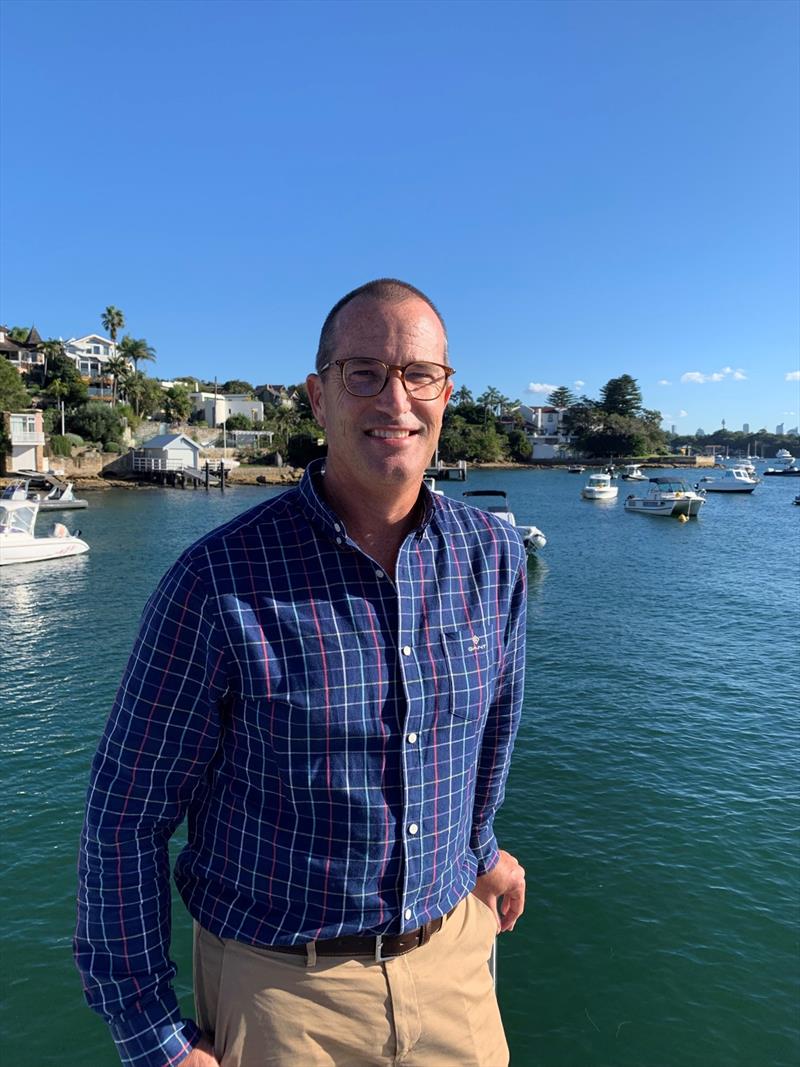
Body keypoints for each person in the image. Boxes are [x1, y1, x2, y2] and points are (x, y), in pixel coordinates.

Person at [75, 279, 527, 1067]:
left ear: (446, 393)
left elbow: (491, 733)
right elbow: (126, 815)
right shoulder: (216, 582)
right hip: (283, 995)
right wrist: (152, 1035)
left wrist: (480, 850)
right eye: (365, 373)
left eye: (420, 374)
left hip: (453, 961)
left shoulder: (493, 556)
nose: (397, 398)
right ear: (318, 398)